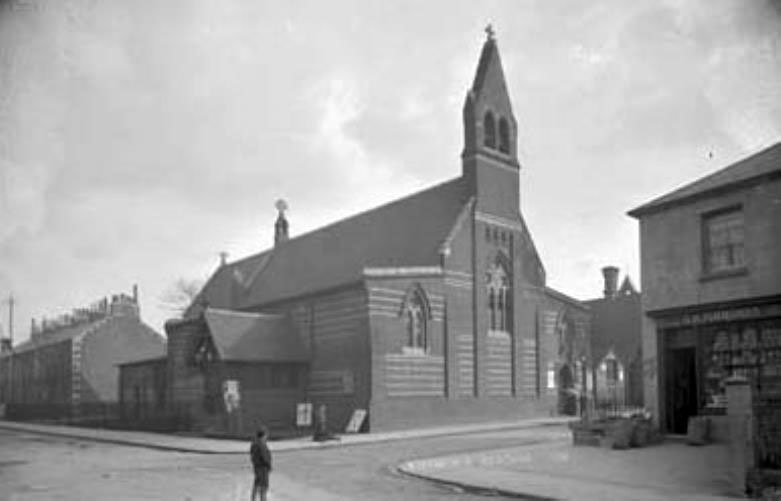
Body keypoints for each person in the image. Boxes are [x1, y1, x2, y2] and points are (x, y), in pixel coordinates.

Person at [250, 427, 272, 501]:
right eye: (266, 435)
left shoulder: (254, 444)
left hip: (257, 468)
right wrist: (269, 465)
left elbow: (252, 457)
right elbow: (265, 457)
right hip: (263, 469)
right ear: (263, 436)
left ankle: (253, 499)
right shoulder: (261, 445)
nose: (267, 437)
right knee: (263, 488)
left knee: (256, 485)